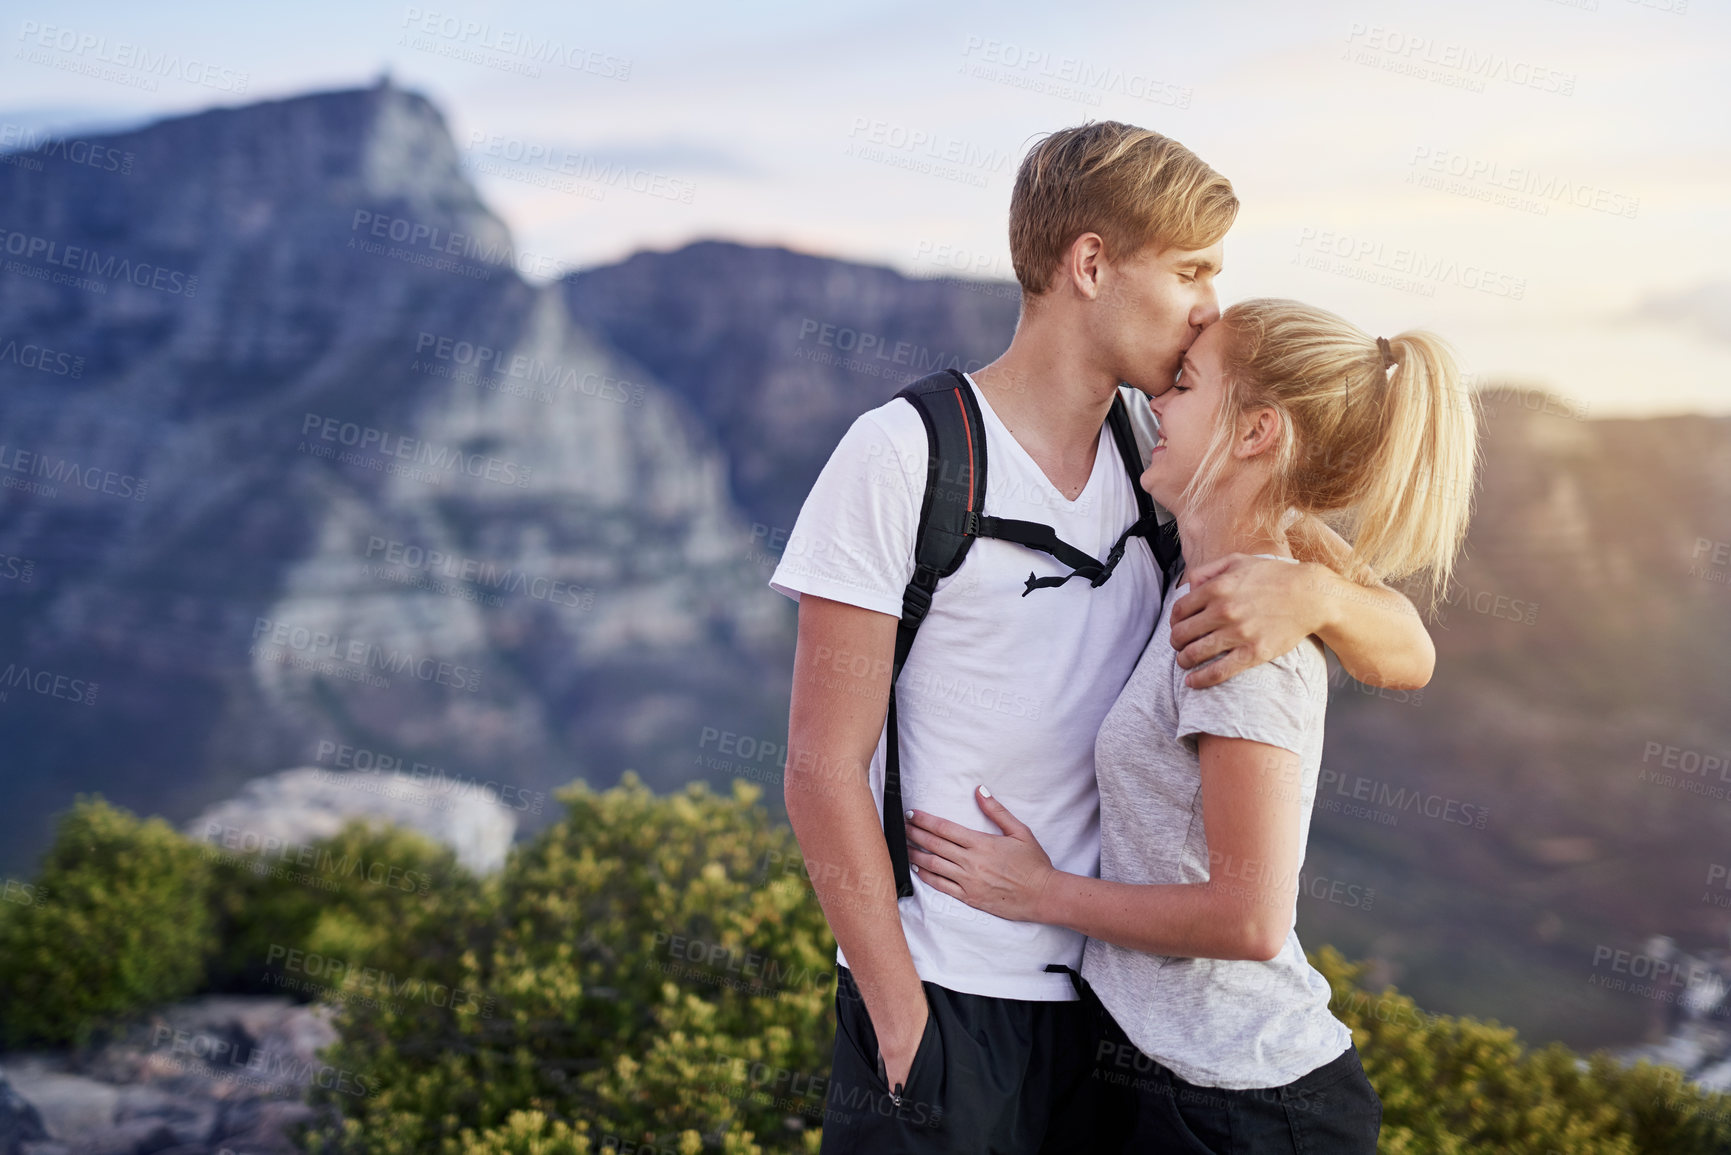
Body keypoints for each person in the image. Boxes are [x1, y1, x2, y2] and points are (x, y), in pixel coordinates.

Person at [770, 122, 1437, 1153]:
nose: (1209, 304)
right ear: (1090, 265)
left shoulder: (1166, 458)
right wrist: (902, 1024)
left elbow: (1408, 649)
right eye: (1190, 271)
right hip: (948, 995)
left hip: (1111, 1023)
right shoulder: (907, 455)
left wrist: (1316, 598)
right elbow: (822, 765)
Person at [903, 298, 1479, 1152]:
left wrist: (1039, 892)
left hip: (1238, 1106)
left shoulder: (1242, 633)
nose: (1156, 403)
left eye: (1184, 384)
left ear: (1253, 433)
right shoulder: (1223, 564)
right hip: (1170, 1076)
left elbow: (1247, 920)